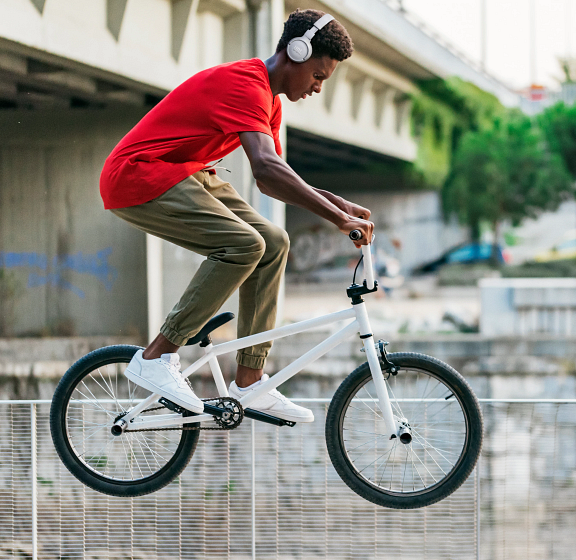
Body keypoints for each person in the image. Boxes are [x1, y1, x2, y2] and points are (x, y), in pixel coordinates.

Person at [99, 9, 373, 423]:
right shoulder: (244, 84)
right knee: (244, 244)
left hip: (188, 173)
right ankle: (157, 356)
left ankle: (250, 380)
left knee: (274, 242)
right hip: (138, 175)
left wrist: (338, 204)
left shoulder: (269, 103)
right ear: (297, 52)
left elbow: (274, 179)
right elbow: (265, 168)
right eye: (319, 75)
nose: (318, 87)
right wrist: (337, 219)